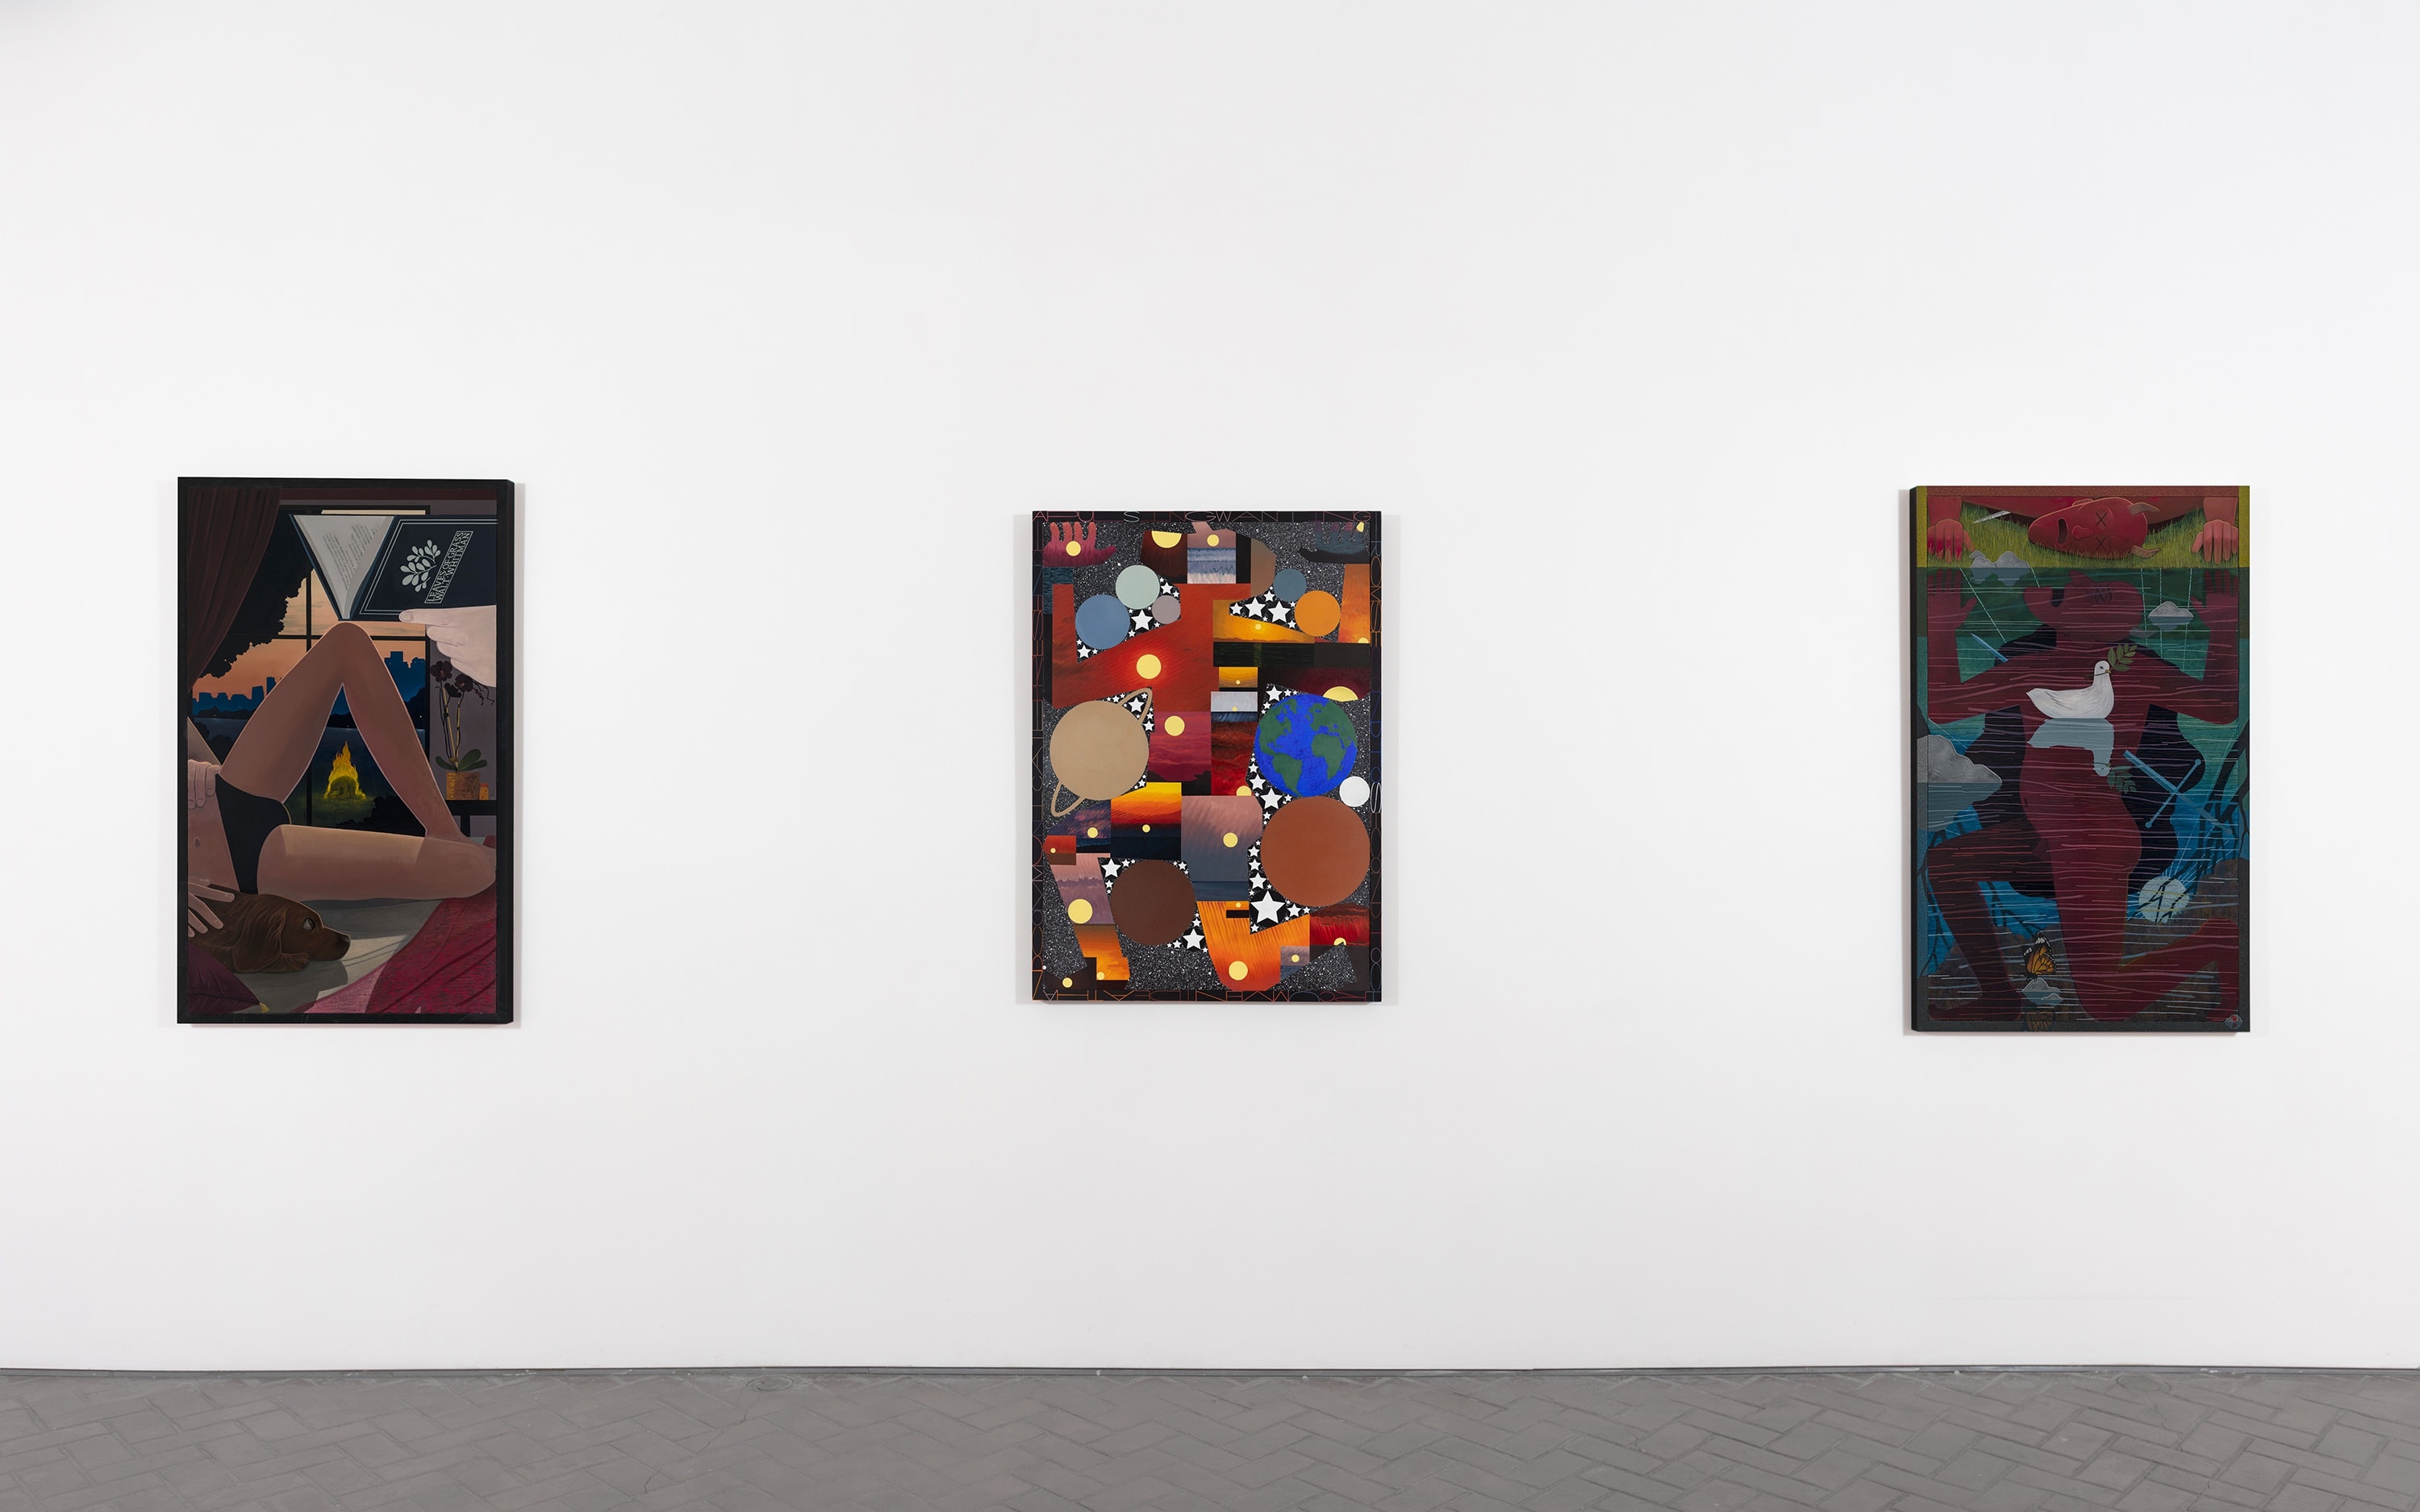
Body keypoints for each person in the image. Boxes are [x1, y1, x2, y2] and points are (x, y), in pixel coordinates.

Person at [1922, 573, 2239, 1021]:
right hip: (2051, 834)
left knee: (2104, 1003)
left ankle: (2217, 942)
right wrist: (1941, 628)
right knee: (1947, 864)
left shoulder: (2136, 669)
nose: (2095, 592)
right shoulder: (2033, 669)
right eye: (2088, 594)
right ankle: (1999, 993)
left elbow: (2222, 709)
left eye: (2107, 595)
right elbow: (1947, 707)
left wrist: (2223, 628)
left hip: (2091, 841)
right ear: (2060, 617)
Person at [186, 621, 495, 912]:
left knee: (348, 640)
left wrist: (194, 766)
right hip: (221, 855)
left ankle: (444, 829)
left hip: (224, 794)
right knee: (472, 868)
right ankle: (455, 846)